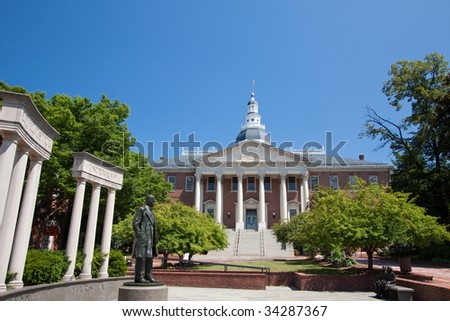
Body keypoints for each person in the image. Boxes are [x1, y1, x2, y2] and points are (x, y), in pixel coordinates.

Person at [132, 194, 158, 283]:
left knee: (149, 256)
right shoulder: (142, 209)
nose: (154, 202)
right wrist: (140, 234)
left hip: (150, 237)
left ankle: (148, 275)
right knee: (140, 256)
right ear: (147, 200)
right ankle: (139, 277)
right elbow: (135, 223)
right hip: (143, 237)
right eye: (152, 200)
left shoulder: (152, 212)